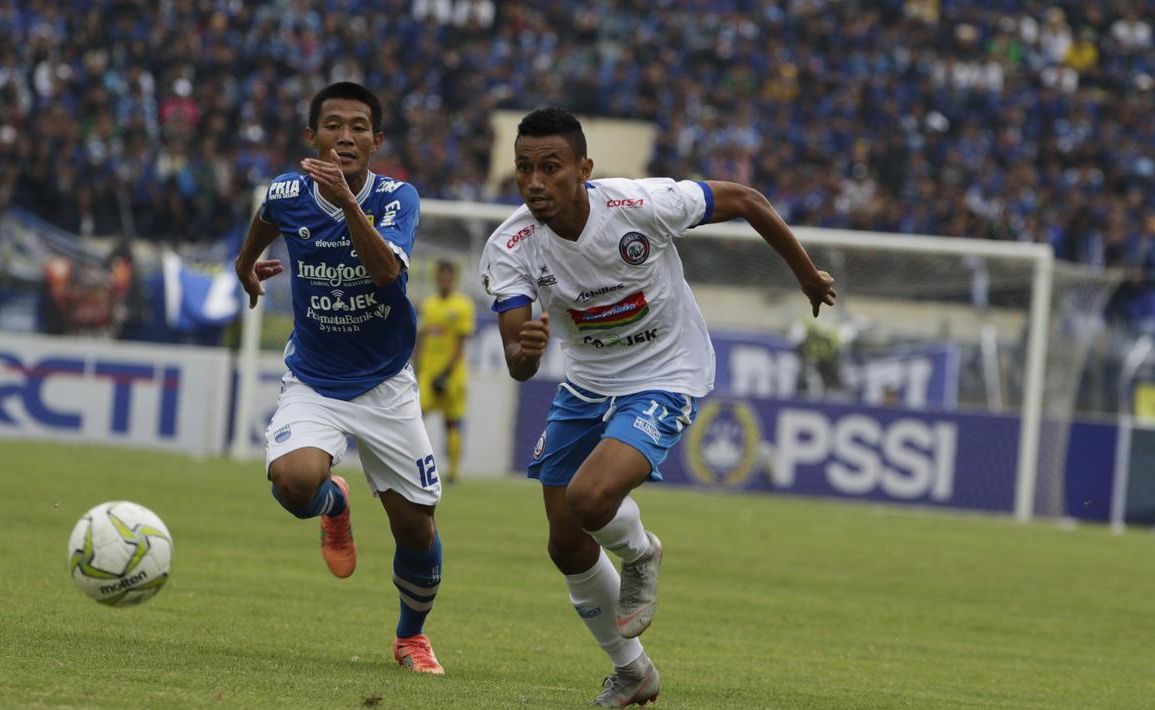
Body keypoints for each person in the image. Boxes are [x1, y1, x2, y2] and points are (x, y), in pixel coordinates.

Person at [479, 108, 836, 706]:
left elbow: (746, 199)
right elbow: (518, 361)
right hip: (587, 384)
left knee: (591, 499)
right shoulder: (510, 247)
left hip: (667, 373)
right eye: (524, 168)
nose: (535, 182)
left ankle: (641, 550)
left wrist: (805, 276)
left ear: (584, 169)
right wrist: (525, 348)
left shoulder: (640, 205)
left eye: (550, 167)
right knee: (565, 543)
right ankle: (634, 672)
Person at [235, 81, 446, 674]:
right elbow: (264, 217)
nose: (345, 137)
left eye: (358, 127)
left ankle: (411, 637)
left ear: (377, 141)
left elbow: (384, 274)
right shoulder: (287, 191)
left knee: (416, 529)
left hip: (385, 384)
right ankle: (333, 503)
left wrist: (347, 204)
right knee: (294, 481)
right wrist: (246, 266)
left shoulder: (398, 199)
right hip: (315, 380)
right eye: (333, 125)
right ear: (313, 137)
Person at [415, 260, 476, 483]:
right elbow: (421, 337)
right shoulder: (428, 305)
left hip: (451, 373)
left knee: (451, 422)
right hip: (428, 371)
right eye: (441, 275)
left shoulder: (462, 306)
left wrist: (446, 373)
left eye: (448, 276)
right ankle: (413, 465)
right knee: (414, 418)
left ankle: (453, 472)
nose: (444, 280)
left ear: (454, 279)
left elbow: (461, 344)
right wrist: (418, 364)